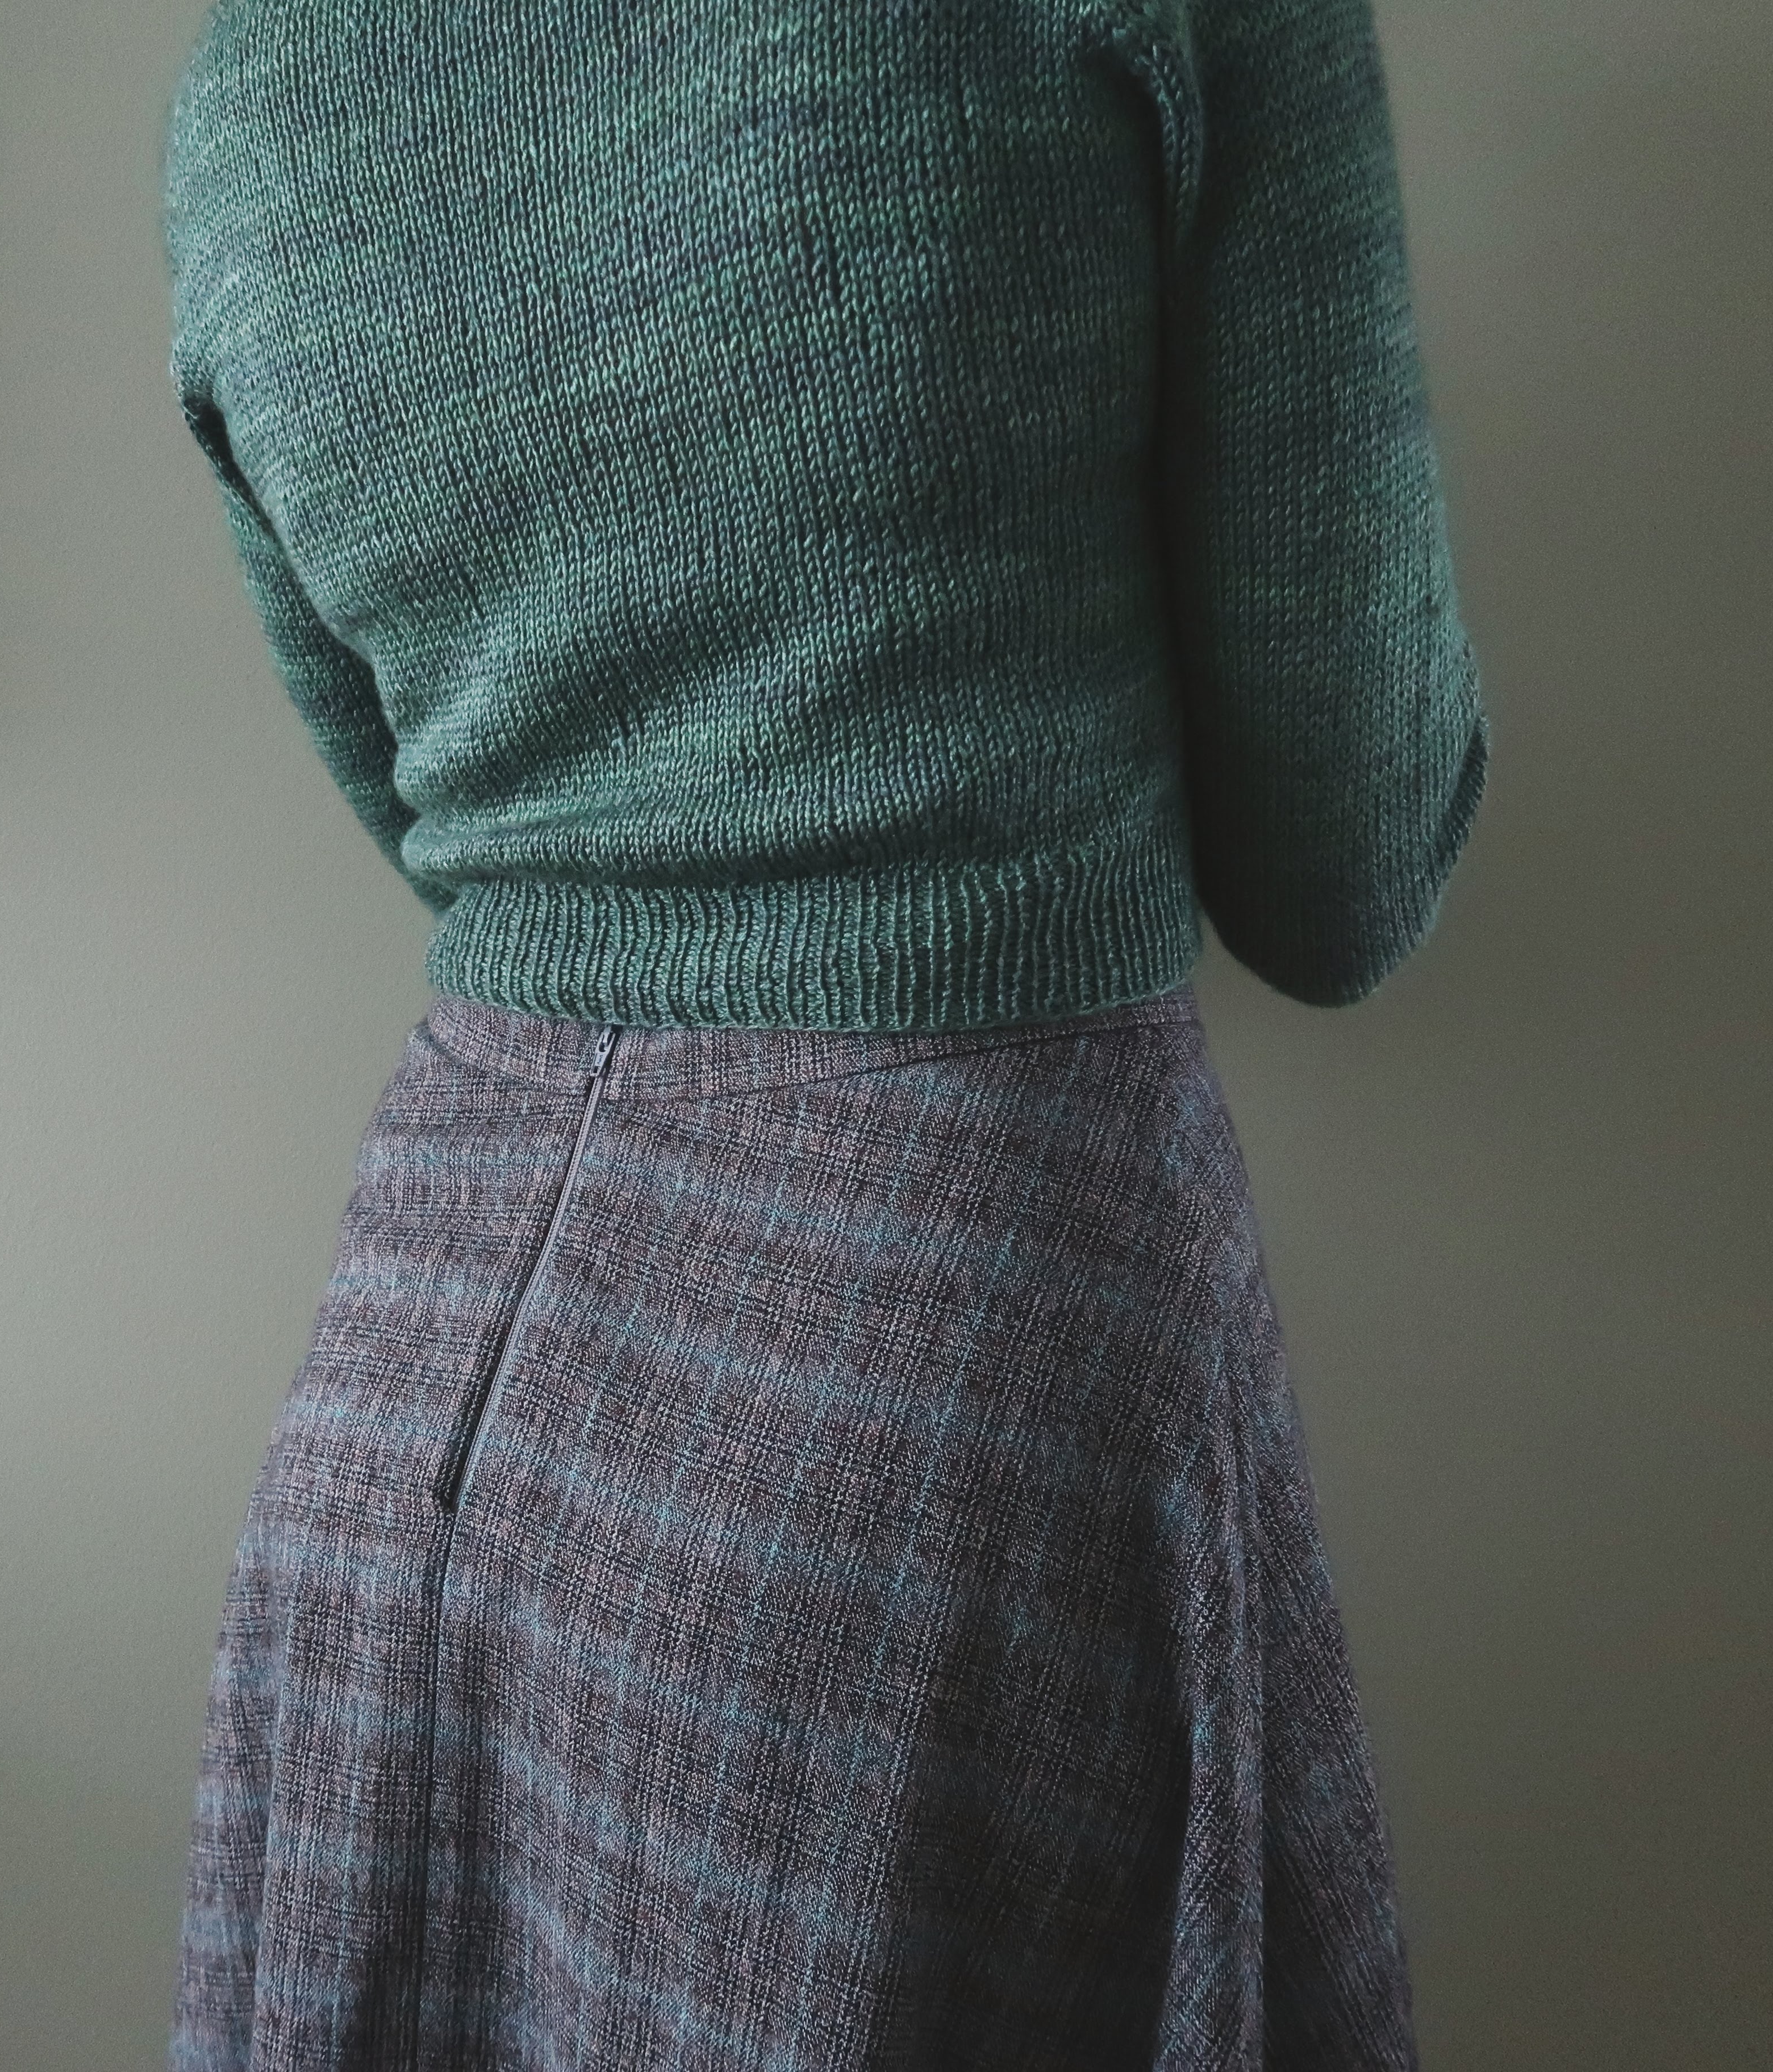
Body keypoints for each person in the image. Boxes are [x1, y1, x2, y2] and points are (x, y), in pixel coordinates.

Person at [158, 0, 1488, 2064]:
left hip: (404, 1412)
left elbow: (417, 801)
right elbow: (1342, 879)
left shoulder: (260, 73)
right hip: (918, 1398)